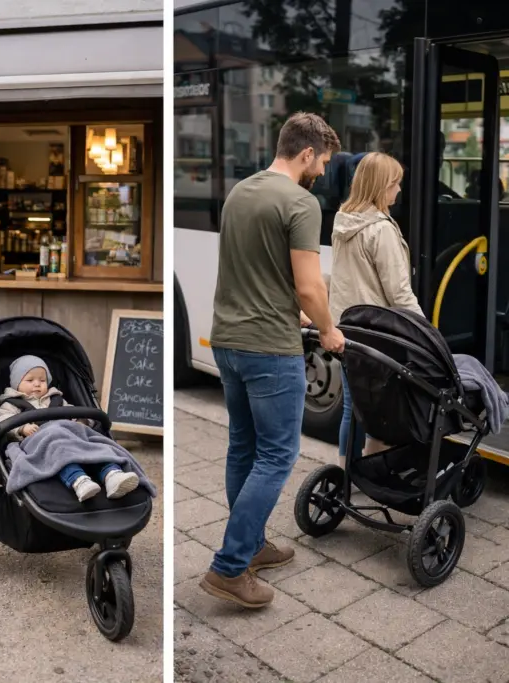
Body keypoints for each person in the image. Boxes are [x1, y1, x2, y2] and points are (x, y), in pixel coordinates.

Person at [203, 111, 345, 609]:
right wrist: (327, 328)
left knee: (243, 446)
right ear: (306, 153)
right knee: (277, 455)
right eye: (323, 161)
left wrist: (294, 309)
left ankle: (253, 545)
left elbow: (254, 270)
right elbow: (308, 285)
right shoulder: (301, 203)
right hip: (268, 347)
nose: (323, 172)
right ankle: (229, 567)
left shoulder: (241, 191)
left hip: (227, 340)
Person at [329, 152, 424, 465]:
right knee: (378, 411)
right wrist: (425, 333)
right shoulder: (380, 230)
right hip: (376, 335)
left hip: (347, 328)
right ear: (382, 186)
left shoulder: (343, 219)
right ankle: (375, 473)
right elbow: (399, 293)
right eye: (395, 184)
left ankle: (345, 473)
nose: (398, 191)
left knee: (350, 407)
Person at [0, 355, 139, 502]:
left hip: (68, 437)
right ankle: (79, 481)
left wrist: (80, 421)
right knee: (59, 451)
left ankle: (112, 474)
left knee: (92, 446)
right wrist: (22, 428)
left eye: (42, 380)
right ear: (16, 384)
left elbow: (72, 411)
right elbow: (4, 420)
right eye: (30, 380)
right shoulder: (11, 404)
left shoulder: (56, 399)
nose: (37, 384)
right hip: (39, 442)